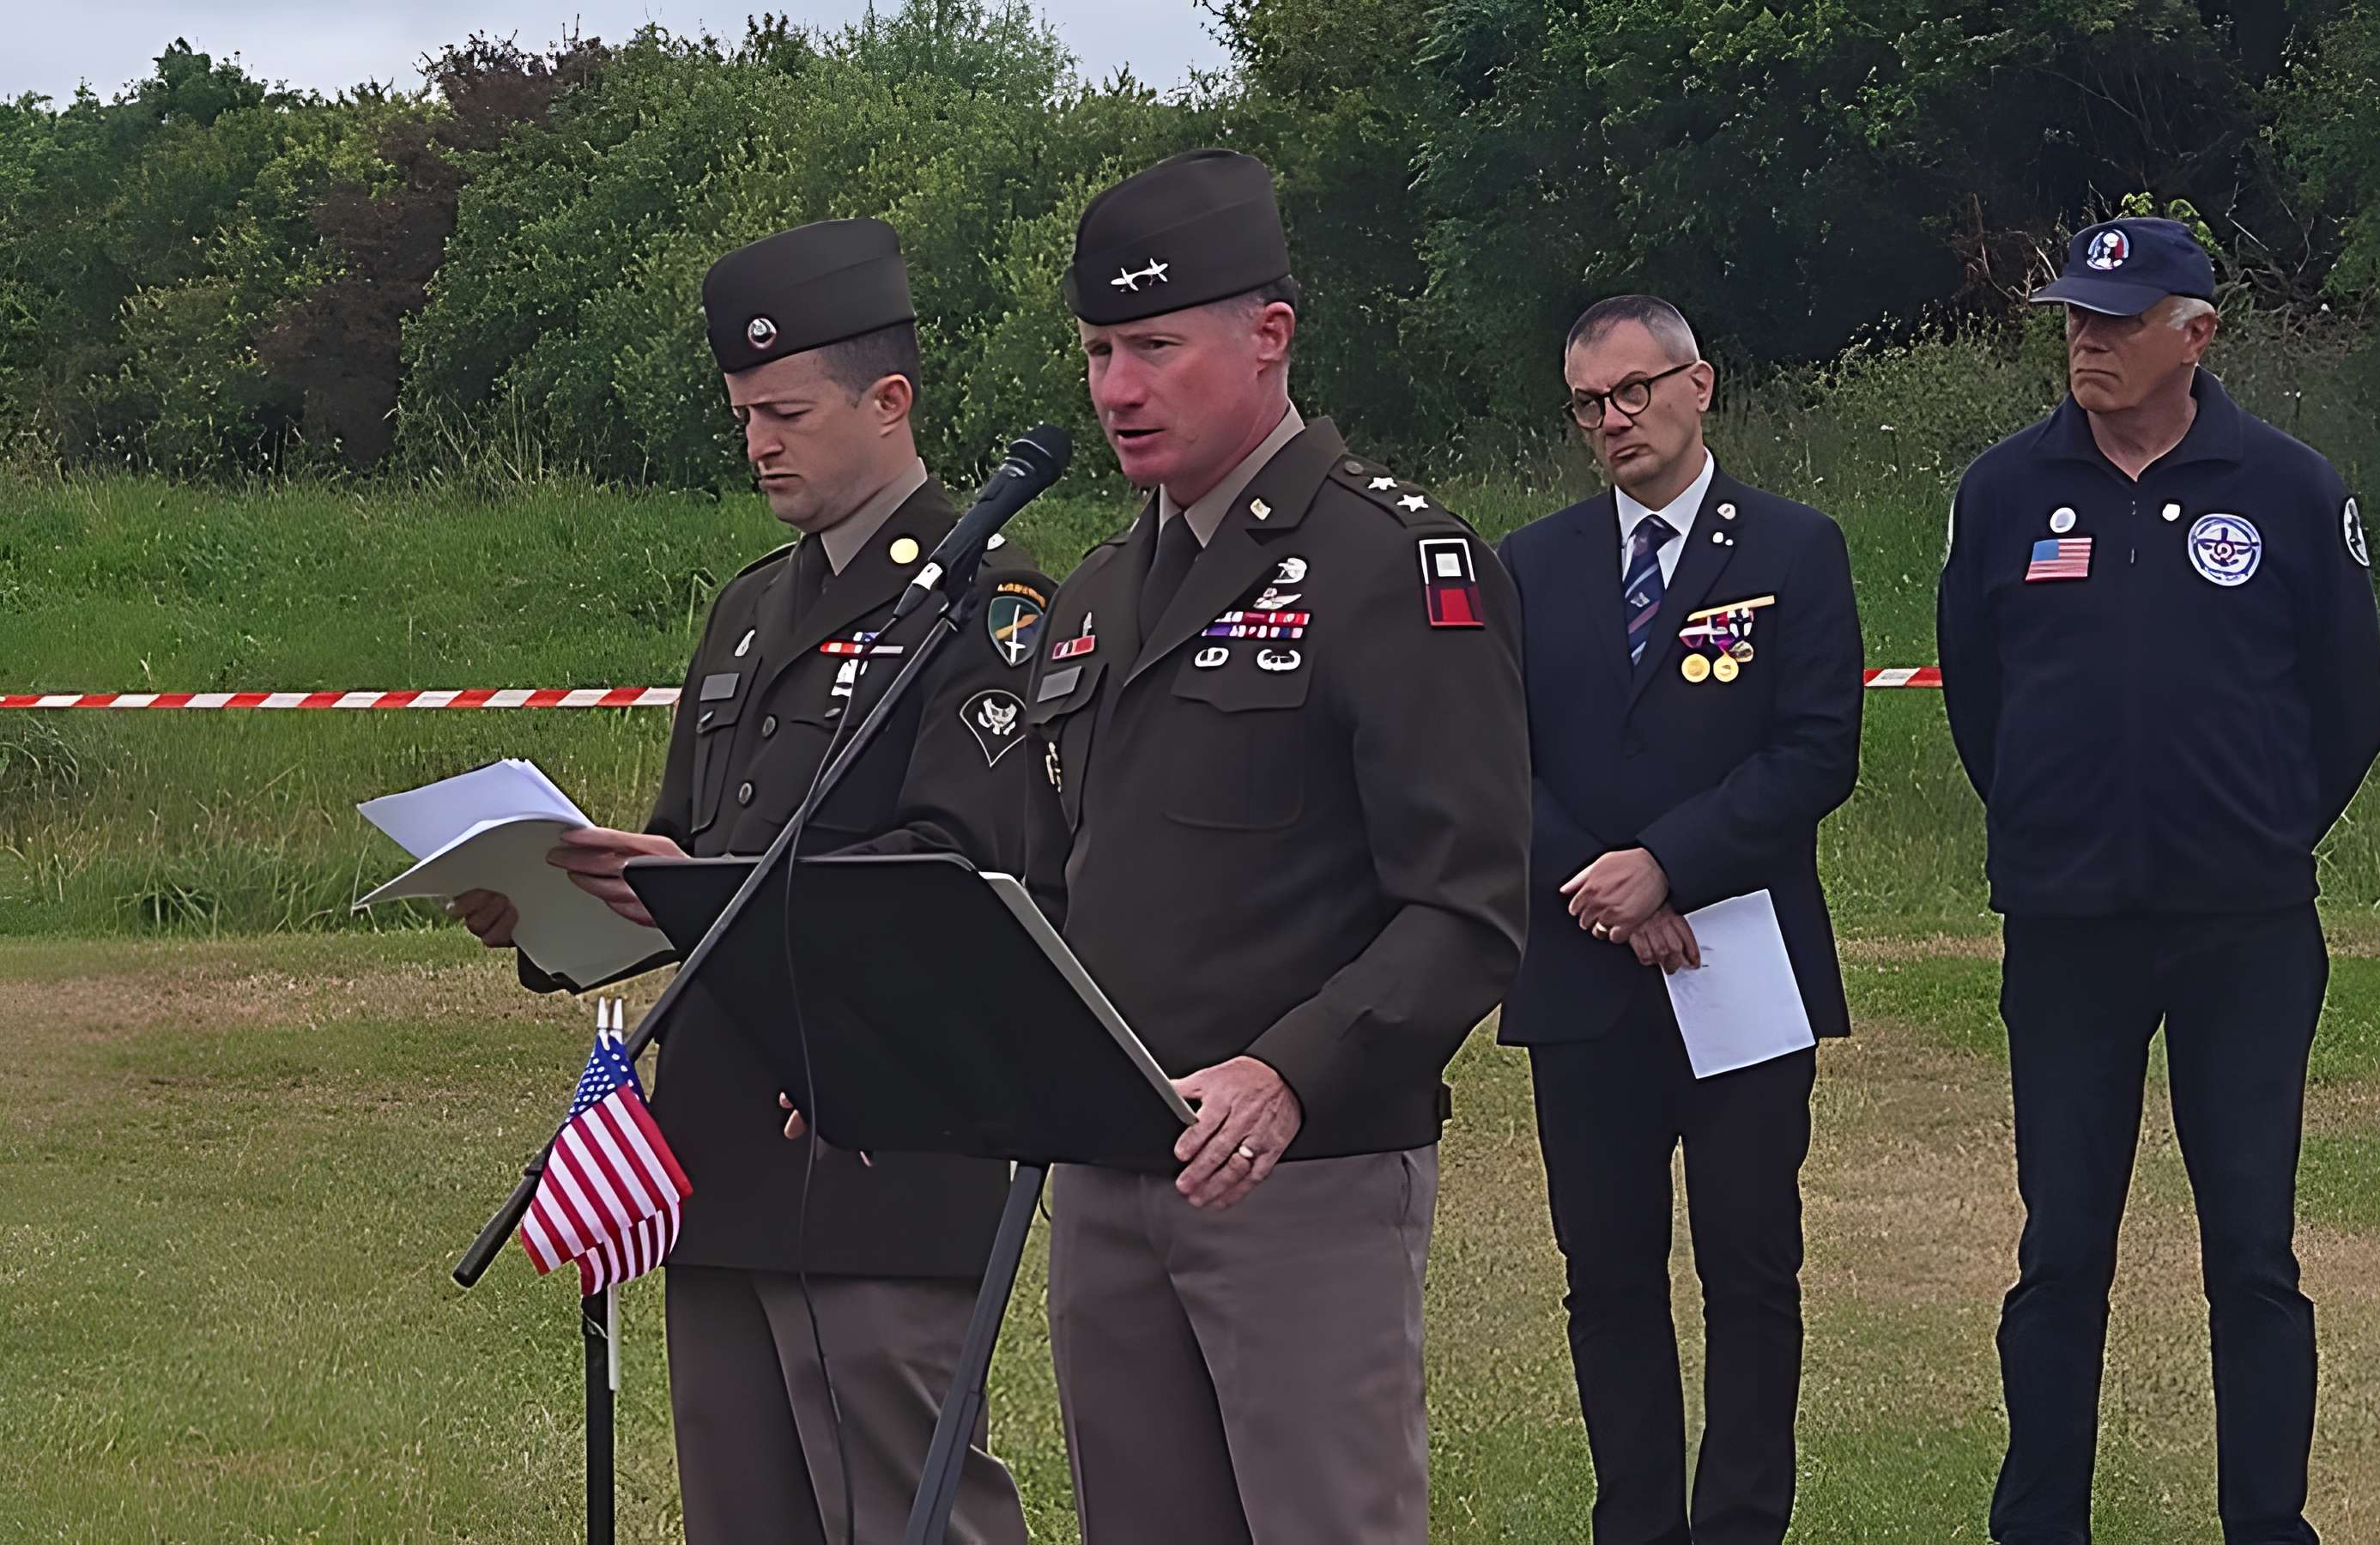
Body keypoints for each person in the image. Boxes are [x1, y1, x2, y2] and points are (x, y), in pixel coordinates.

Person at [451, 219, 1045, 1545]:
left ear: (888, 403)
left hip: (874, 1144)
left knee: (910, 1512)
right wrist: (548, 911)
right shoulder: (744, 610)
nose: (760, 442)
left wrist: (701, 885)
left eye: (786, 411)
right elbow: (684, 856)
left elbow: (957, 872)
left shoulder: (990, 600)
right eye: (743, 416)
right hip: (718, 1148)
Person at [1020, 148, 1531, 1545]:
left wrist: (1286, 1073)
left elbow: (1471, 903)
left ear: (1269, 335)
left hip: (1302, 1176)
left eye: (1155, 347)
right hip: (1110, 1178)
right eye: (1099, 351)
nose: (1118, 388)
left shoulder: (1392, 567)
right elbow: (1051, 890)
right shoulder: (1092, 594)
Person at [1936, 216, 2380, 1545]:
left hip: (2243, 933)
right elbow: (1979, 697)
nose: (2087, 339)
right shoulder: (2008, 490)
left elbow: (2344, 708)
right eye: (2076, 316)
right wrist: (2048, 820)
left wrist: (2254, 835)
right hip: (2068, 929)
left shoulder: (2290, 487)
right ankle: (2039, 1524)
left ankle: (2266, 1524)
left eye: (2118, 321)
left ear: (2196, 334)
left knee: (2251, 1254)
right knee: (2061, 1250)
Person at [1494, 294, 1863, 1545]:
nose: (1614, 422)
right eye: (1590, 405)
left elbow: (1817, 753)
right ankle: (1635, 1523)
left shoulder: (1792, 550)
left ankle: (1744, 1521)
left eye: (1634, 393)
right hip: (1582, 970)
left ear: (1699, 385)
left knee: (1751, 1270)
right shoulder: (1530, 566)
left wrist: (1668, 864)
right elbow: (1493, 760)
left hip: (1741, 960)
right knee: (1606, 1278)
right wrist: (1606, 885)